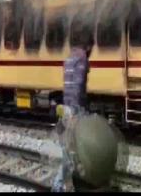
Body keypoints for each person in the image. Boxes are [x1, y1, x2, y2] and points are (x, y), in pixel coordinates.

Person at [51, 34, 94, 192]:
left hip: (67, 107)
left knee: (70, 151)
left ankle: (70, 186)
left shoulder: (69, 58)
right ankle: (57, 187)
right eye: (91, 49)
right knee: (72, 153)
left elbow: (68, 87)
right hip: (75, 109)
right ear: (88, 46)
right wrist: (76, 113)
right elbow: (77, 86)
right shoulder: (82, 59)